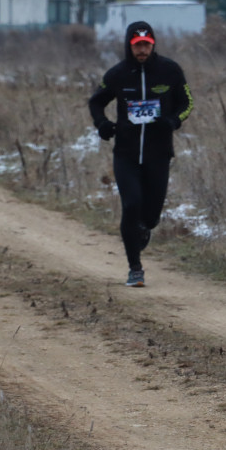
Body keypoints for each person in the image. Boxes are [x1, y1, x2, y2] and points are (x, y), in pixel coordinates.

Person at [89, 21, 194, 287]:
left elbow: (187, 102)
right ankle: (135, 267)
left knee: (151, 215)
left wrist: (173, 121)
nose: (143, 51)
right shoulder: (118, 74)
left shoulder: (169, 70)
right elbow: (96, 101)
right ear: (129, 46)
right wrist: (102, 124)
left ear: (153, 44)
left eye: (147, 45)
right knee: (131, 205)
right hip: (126, 152)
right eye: (138, 46)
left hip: (158, 153)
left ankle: (144, 228)